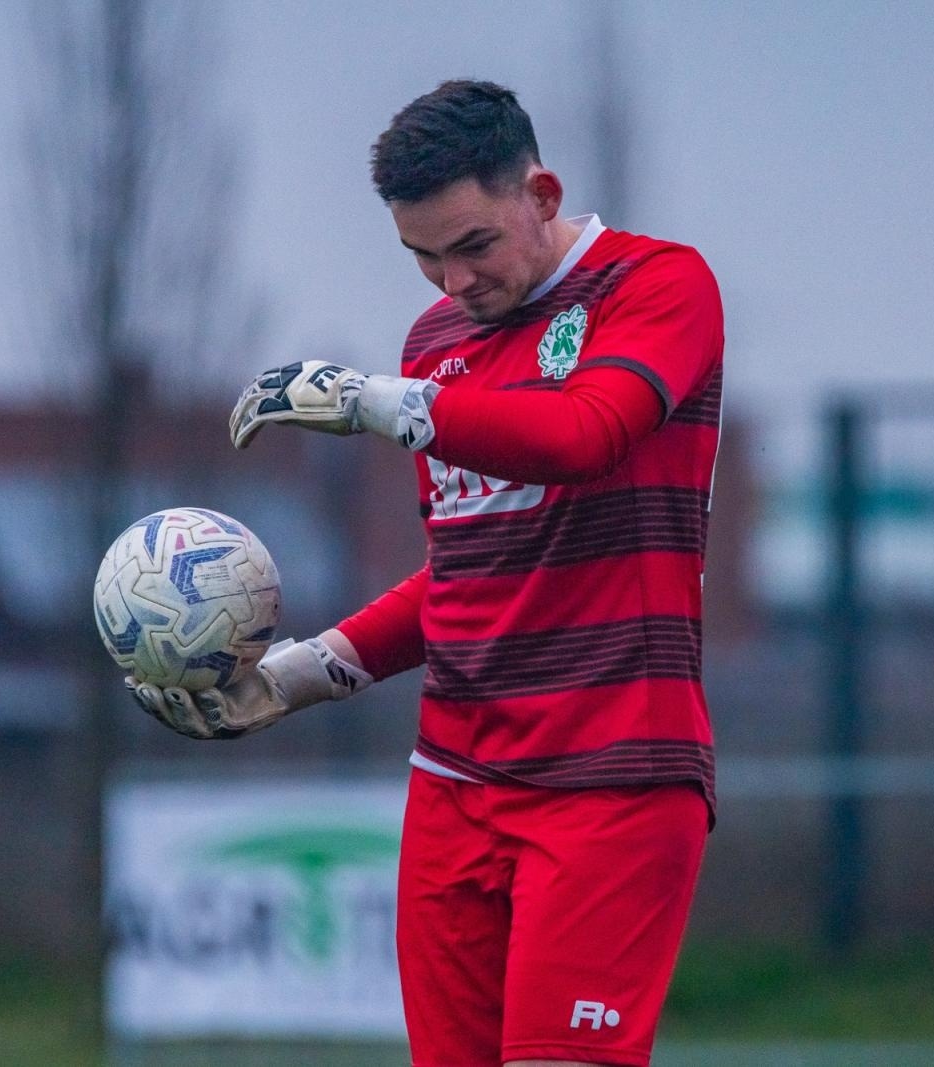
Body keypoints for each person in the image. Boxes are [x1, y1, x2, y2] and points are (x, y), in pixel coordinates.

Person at [129, 79, 724, 1067]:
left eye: (474, 246)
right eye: (422, 258)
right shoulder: (434, 348)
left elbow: (584, 434)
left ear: (541, 192)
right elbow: (466, 575)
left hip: (612, 771)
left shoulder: (655, 286)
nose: (453, 283)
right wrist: (294, 676)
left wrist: (373, 402)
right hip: (454, 778)